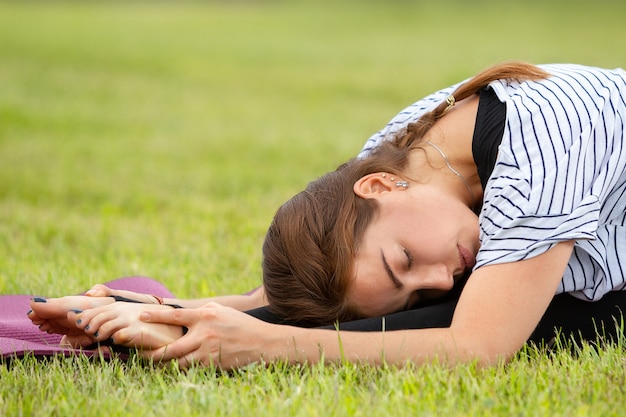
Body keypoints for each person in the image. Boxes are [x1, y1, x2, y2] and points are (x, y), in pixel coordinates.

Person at [27, 62, 626, 369]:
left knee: (520, 318)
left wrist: (268, 345)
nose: (438, 278)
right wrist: (160, 309)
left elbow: (479, 346)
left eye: (405, 262)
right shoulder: (404, 159)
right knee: (420, 307)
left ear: (380, 187)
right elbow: (295, 294)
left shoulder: (541, 143)